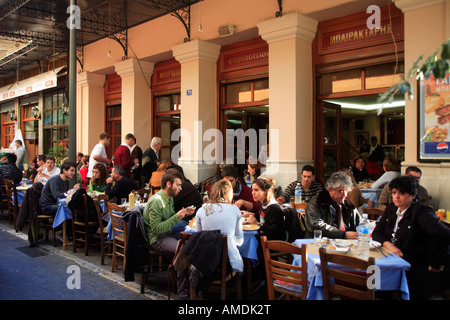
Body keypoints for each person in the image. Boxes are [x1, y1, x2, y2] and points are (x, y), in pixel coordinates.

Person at [372, 176, 450, 300]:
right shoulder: (392, 208)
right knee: (373, 278)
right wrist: (390, 246)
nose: (396, 197)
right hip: (394, 260)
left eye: (402, 193)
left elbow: (442, 233)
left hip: (416, 263)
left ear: (413, 195)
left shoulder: (421, 212)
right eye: (394, 193)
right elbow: (377, 232)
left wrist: (434, 263)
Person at [142, 169, 195, 300]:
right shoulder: (156, 201)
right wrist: (177, 217)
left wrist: (183, 213)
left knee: (193, 241)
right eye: (178, 185)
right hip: (157, 238)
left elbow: (170, 220)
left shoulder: (169, 199)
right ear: (168, 184)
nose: (181, 188)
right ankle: (184, 295)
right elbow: (156, 229)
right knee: (183, 251)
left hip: (168, 233)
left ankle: (194, 286)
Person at [195, 179, 244, 273]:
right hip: (229, 262)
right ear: (230, 194)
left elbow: (199, 236)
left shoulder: (202, 210)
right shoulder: (235, 209)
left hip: (204, 261)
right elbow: (239, 240)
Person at [305, 171, 360, 239]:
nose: (344, 195)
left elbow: (359, 221)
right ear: (330, 190)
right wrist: (343, 235)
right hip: (321, 242)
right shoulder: (318, 202)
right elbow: (316, 226)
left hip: (346, 244)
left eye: (346, 191)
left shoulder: (347, 203)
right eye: (340, 191)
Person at [247, 177, 286, 241]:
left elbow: (274, 230)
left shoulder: (274, 208)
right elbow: (262, 216)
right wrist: (250, 214)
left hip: (272, 243)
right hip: (263, 238)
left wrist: (257, 224)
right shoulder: (262, 203)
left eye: (256, 190)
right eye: (252, 190)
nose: (252, 193)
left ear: (265, 192)